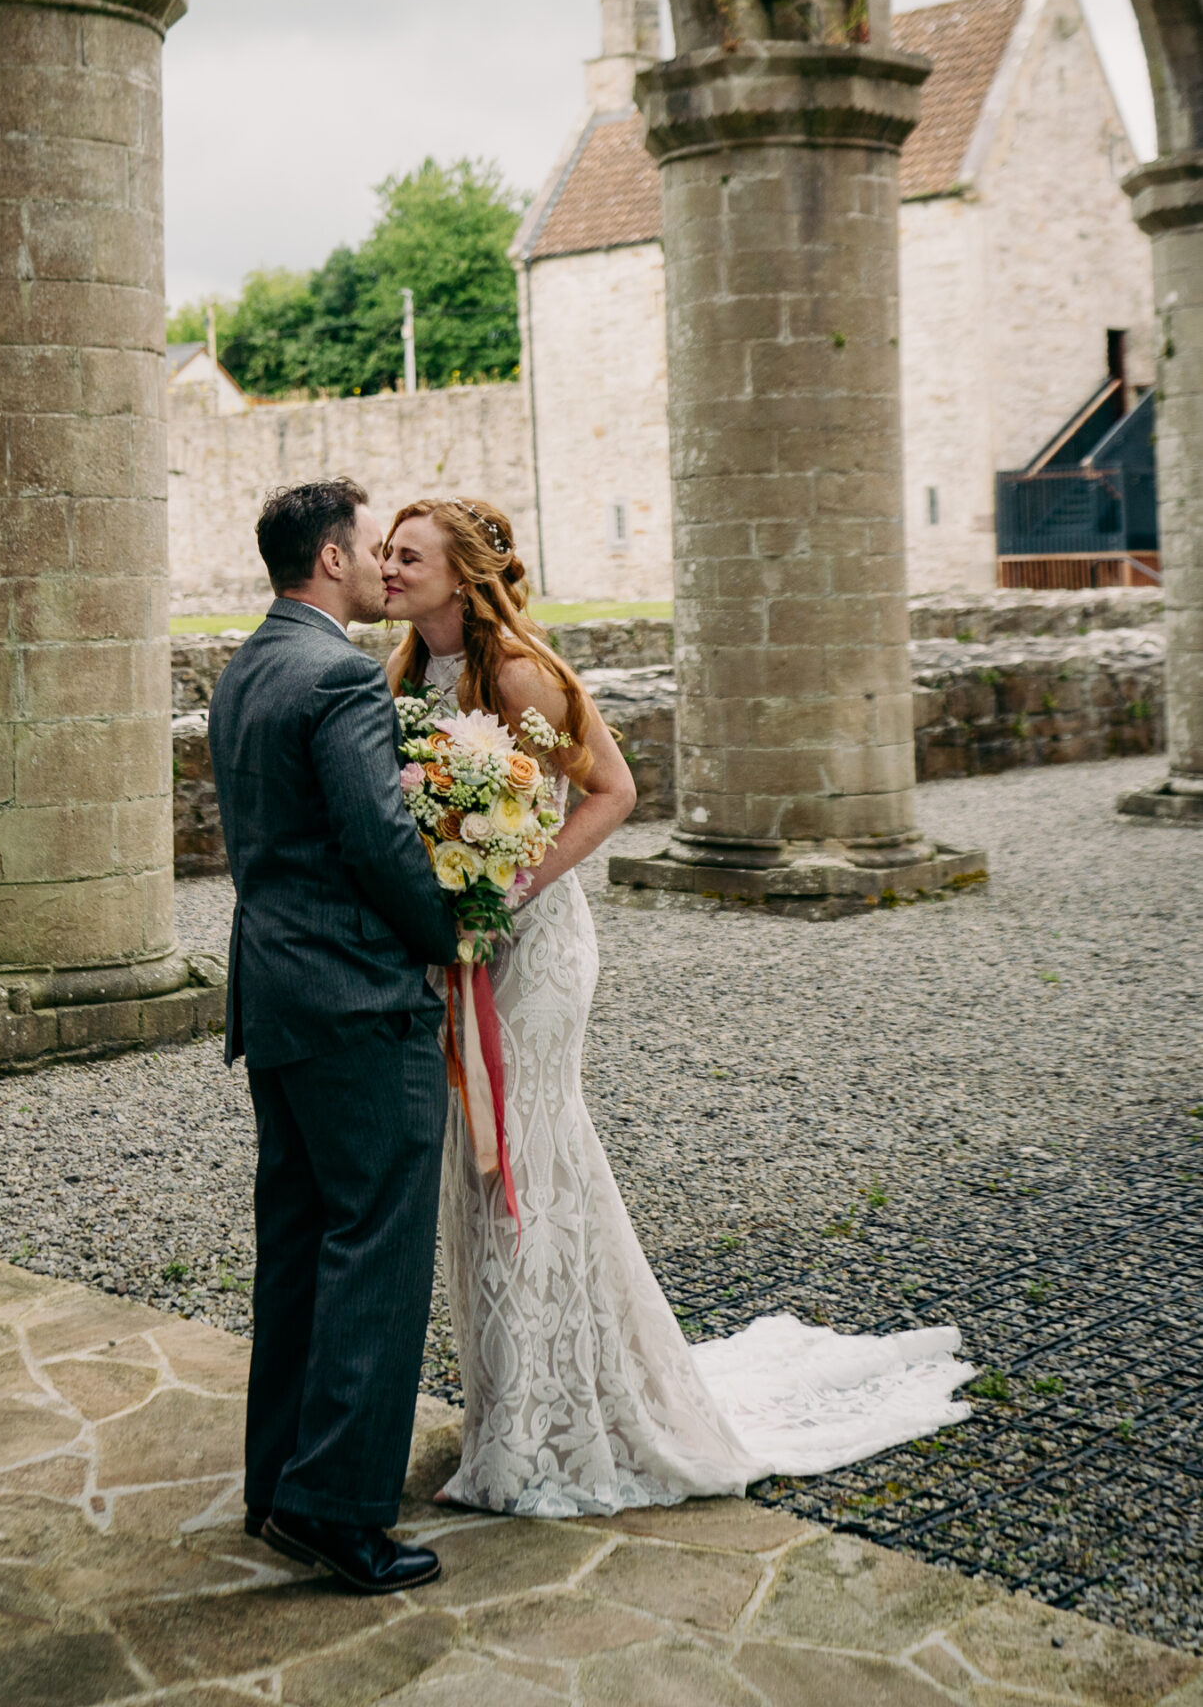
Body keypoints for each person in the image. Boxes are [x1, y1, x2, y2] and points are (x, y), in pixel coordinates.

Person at [382, 495, 975, 1519]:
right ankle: (513, 1409)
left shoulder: (521, 670)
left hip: (536, 944)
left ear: (462, 573)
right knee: (479, 1159)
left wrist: (516, 883)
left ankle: (543, 1430)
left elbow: (612, 788)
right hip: (461, 942)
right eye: (386, 554)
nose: (387, 569)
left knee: (524, 1150)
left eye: (407, 555)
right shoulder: (405, 672)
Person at [210, 478, 462, 1594]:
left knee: (302, 1245)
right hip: (361, 1001)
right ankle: (340, 1511)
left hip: (276, 999)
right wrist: (451, 931)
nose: (378, 564)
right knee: (377, 1247)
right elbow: (378, 842)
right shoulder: (344, 673)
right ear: (328, 558)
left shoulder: (250, 665)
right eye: (367, 546)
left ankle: (278, 1482)